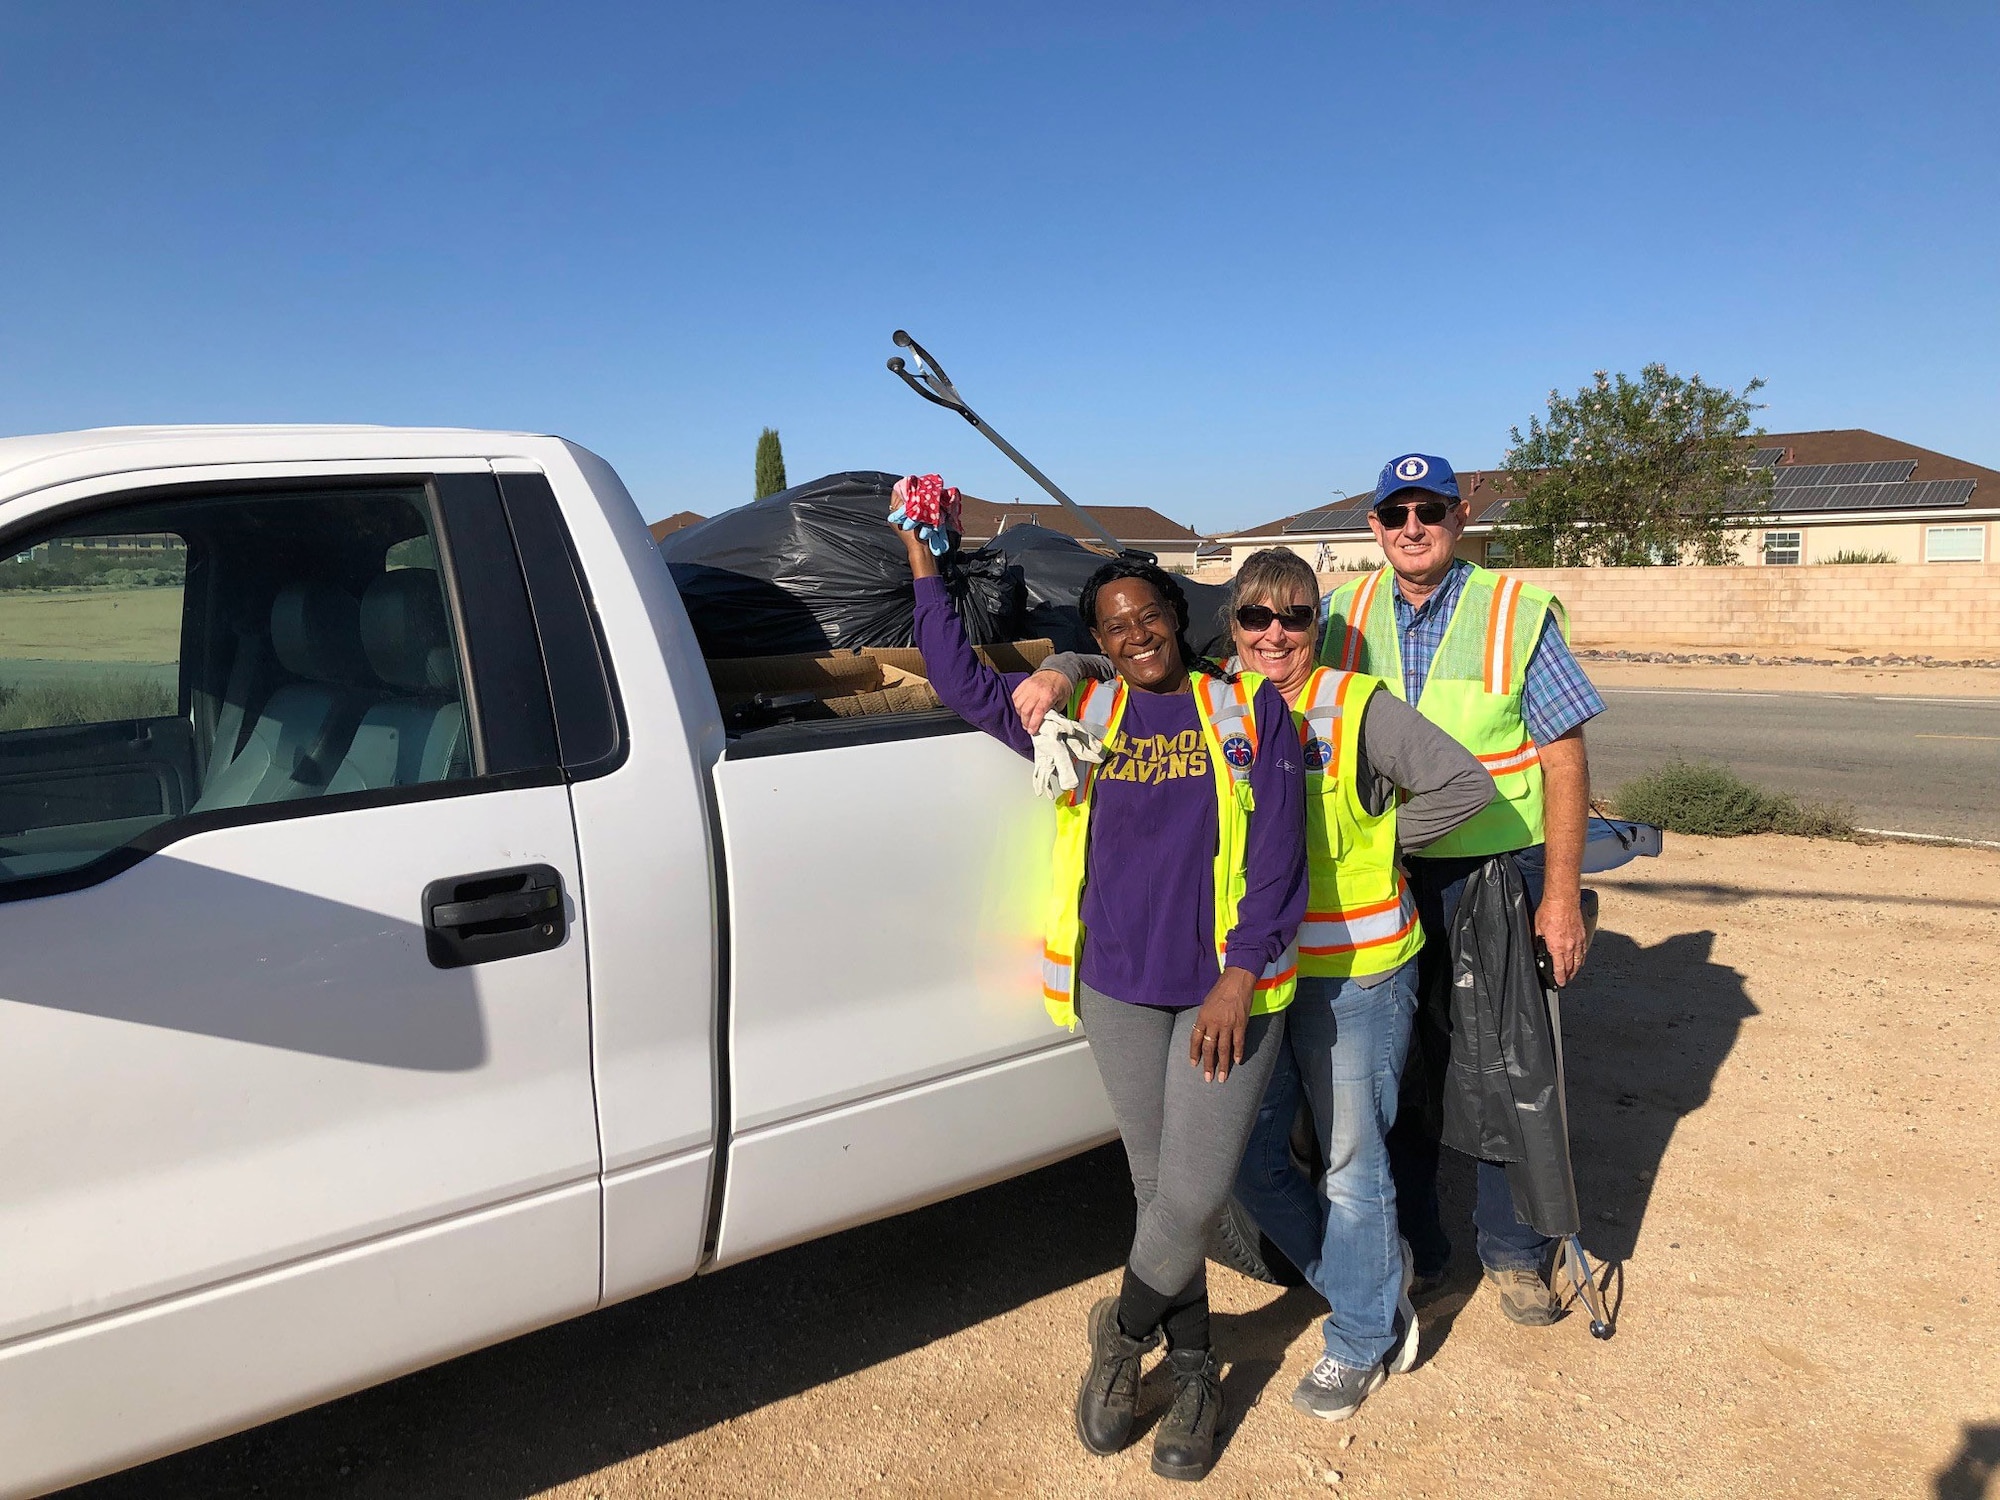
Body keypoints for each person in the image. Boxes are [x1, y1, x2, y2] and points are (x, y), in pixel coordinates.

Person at [1014, 546, 1495, 1421]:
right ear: (1227, 627)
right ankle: (1361, 1280)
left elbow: (1465, 785)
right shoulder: (1219, 694)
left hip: (1351, 964)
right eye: (1254, 618)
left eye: (1296, 617)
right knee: (1250, 1171)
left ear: (1319, 624)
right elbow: (1107, 650)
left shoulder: (1350, 706)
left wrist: (1368, 844)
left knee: (1350, 1161)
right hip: (1253, 975)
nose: (1275, 635)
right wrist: (1057, 666)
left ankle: (1359, 1334)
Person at [893, 484, 1306, 1483]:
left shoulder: (1245, 712)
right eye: (1113, 627)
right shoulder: (1081, 712)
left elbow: (1279, 862)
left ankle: (1119, 1334)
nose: (1135, 635)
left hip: (1224, 996)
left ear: (1176, 620)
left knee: (1197, 1195)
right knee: (1159, 1188)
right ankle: (1198, 1368)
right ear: (1102, 640)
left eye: (1148, 617)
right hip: (1117, 987)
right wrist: (920, 560)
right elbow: (959, 681)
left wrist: (1237, 978)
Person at [1323, 453, 1606, 1327]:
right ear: (1373, 526)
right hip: (1387, 872)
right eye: (1396, 512)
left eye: (1430, 510)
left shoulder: (1515, 615)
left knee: (1504, 1064)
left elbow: (1565, 761)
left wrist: (1560, 897)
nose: (1413, 527)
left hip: (1495, 871)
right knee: (1398, 1067)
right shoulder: (1339, 612)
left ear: (1460, 515)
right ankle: (1421, 1250)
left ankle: (1515, 1251)